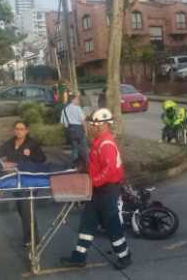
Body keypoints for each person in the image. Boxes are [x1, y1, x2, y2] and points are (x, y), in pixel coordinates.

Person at [60, 108, 132, 270]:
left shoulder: (106, 143)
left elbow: (109, 170)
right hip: (99, 190)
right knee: (87, 224)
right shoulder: (100, 141)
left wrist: (92, 182)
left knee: (112, 225)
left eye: (94, 125)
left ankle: (124, 256)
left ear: (102, 125)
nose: (91, 127)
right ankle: (79, 257)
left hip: (106, 190)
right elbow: (97, 166)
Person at [0, 120, 47, 247]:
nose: (19, 131)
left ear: (26, 130)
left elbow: (42, 159)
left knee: (26, 207)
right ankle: (32, 236)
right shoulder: (11, 142)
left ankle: (32, 239)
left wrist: (30, 156)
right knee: (21, 208)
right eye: (17, 129)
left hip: (29, 180)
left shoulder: (32, 144)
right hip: (16, 180)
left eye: (22, 129)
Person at [60, 93, 88, 164]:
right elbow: (83, 120)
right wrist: (86, 130)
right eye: (77, 99)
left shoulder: (64, 110)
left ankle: (74, 164)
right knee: (83, 148)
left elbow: (63, 122)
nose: (78, 101)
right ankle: (86, 163)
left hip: (70, 130)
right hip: (79, 129)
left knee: (74, 149)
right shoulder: (78, 108)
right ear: (72, 100)